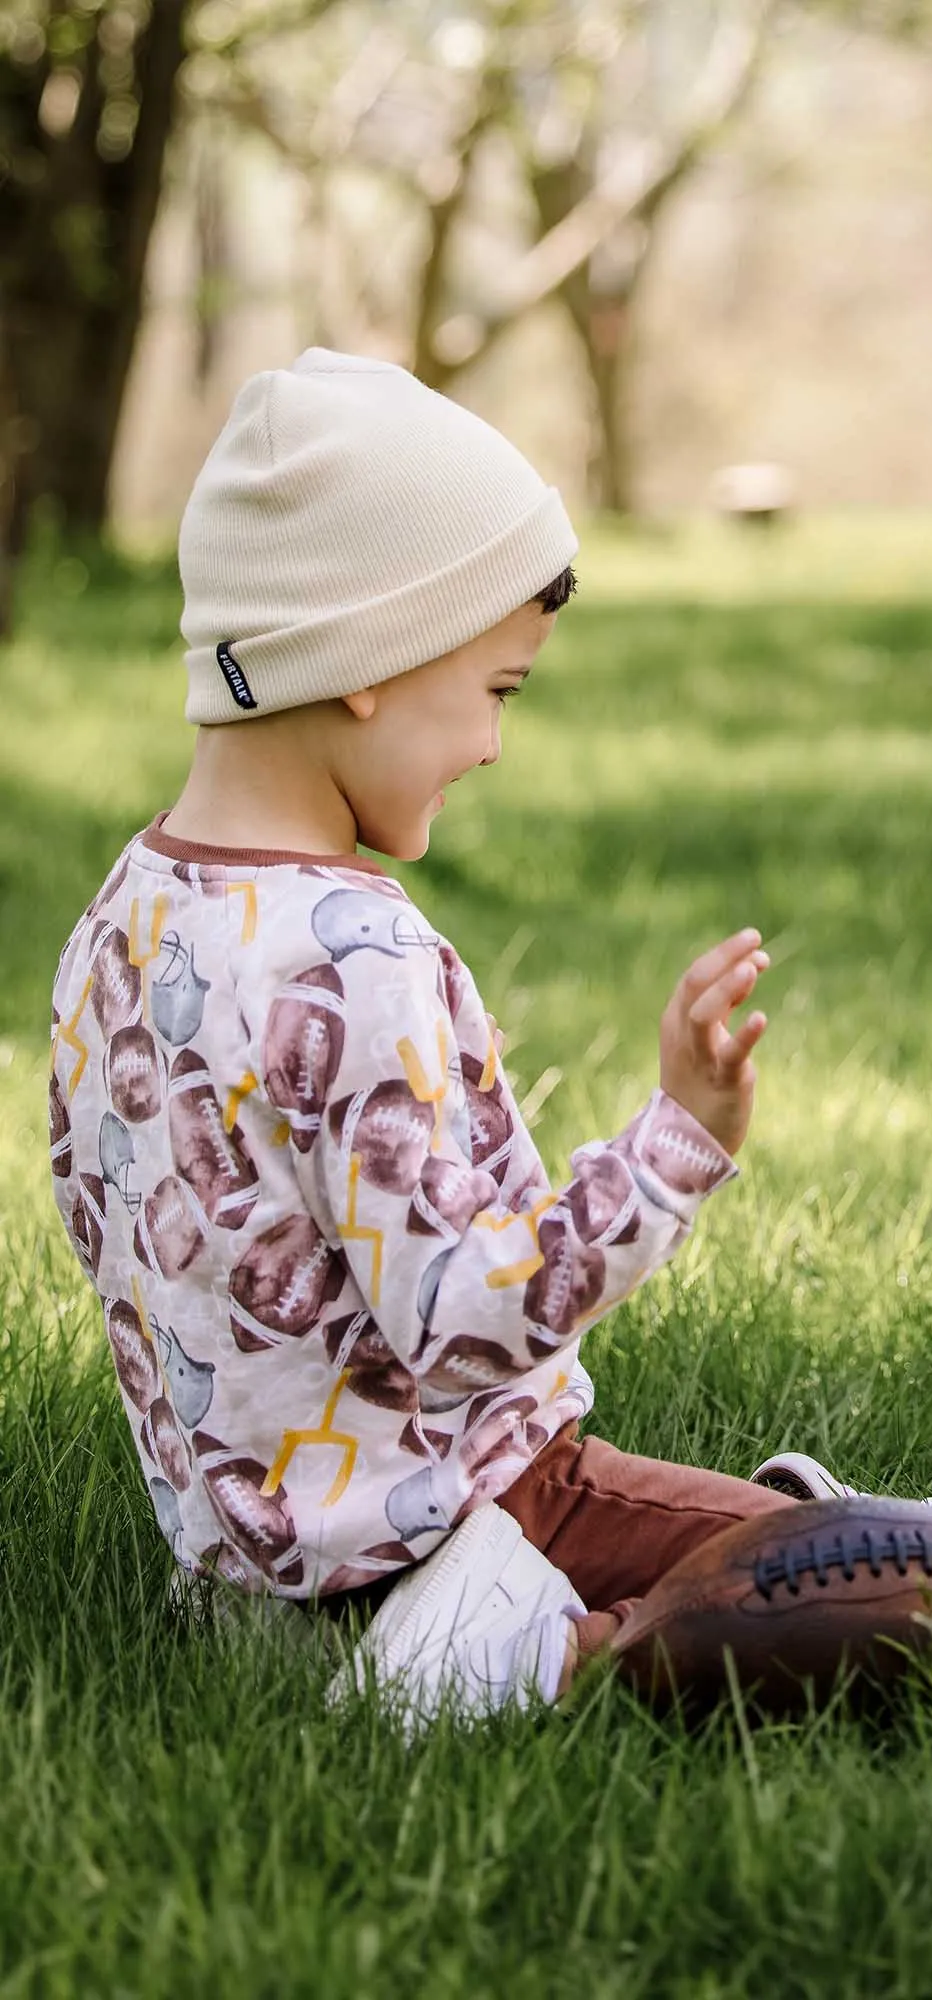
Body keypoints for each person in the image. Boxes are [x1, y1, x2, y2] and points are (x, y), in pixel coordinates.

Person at [47, 349, 840, 1717]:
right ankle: (517, 1650)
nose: (492, 744)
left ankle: (334, 1649)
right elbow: (464, 1322)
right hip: (460, 1508)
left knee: (813, 1547)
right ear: (371, 657)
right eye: (498, 690)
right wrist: (676, 1147)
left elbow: (92, 1211)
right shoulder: (356, 956)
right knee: (903, 1582)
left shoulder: (122, 917)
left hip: (249, 1553)